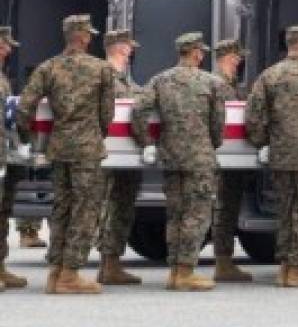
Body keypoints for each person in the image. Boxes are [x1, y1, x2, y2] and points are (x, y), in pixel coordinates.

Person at [17, 15, 115, 295]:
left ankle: (56, 271)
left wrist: (27, 138)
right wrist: (97, 134)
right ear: (83, 37)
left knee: (61, 208)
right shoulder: (100, 69)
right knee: (86, 210)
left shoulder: (49, 68)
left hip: (59, 147)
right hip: (87, 148)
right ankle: (70, 273)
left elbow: (25, 106)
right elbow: (106, 113)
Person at [132, 32, 224, 292]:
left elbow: (139, 110)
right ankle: (186, 272)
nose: (202, 55)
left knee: (175, 214)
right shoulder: (210, 82)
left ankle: (174, 271)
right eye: (201, 51)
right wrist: (211, 144)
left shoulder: (160, 80)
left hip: (171, 156)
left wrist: (146, 142)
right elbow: (219, 124)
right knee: (197, 214)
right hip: (200, 157)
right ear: (195, 52)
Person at [246, 24, 298, 288]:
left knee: (285, 209)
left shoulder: (269, 76)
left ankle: (284, 266)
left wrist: (264, 142)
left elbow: (254, 116)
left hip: (281, 154)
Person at [97, 29, 143, 285]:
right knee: (109, 206)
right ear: (121, 49)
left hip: (125, 155)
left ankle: (112, 263)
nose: (131, 53)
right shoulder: (105, 77)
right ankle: (107, 262)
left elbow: (140, 99)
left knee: (122, 206)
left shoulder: (125, 81)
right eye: (129, 49)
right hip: (109, 153)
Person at [209, 38, 252, 282]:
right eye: (236, 57)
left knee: (228, 206)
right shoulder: (219, 85)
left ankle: (224, 260)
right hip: (224, 155)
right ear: (227, 57)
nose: (239, 61)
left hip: (231, 155)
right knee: (224, 208)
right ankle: (222, 261)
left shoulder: (230, 84)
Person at [0, 26, 28, 291]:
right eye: (4, 45)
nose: (8, 50)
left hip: (4, 152)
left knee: (3, 209)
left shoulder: (3, 77)